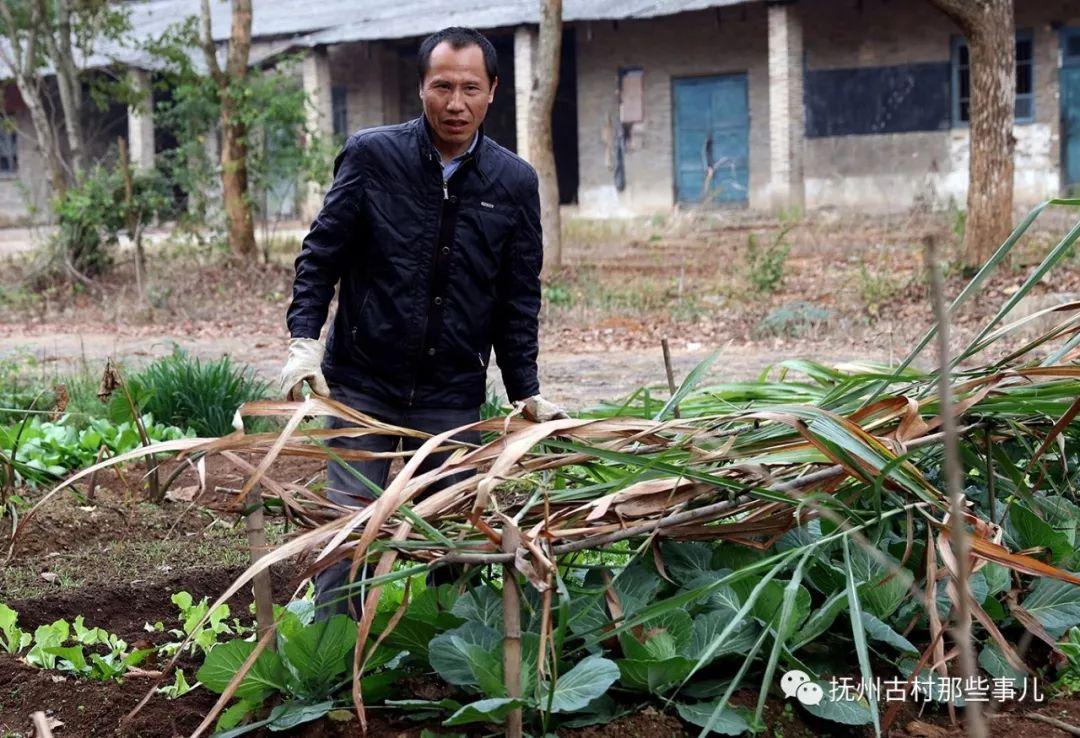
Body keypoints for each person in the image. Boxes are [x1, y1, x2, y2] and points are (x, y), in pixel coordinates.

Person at [278, 26, 568, 616]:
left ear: (492, 91)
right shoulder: (372, 156)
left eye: (469, 88)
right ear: (421, 88)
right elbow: (322, 253)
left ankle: (441, 661)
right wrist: (305, 338)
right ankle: (332, 666)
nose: (454, 103)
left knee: (450, 544)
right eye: (442, 87)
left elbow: (517, 299)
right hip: (359, 386)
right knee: (347, 535)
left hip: (449, 398)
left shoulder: (514, 183)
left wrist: (526, 391)